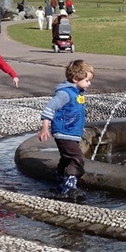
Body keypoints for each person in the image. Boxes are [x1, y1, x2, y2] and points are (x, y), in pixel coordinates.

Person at [38, 60, 94, 196]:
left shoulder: (78, 93)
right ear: (75, 79)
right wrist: (45, 128)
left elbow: (75, 113)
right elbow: (49, 109)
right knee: (77, 158)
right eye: (87, 80)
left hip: (71, 132)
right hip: (63, 133)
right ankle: (69, 183)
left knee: (66, 158)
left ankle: (60, 179)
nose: (89, 83)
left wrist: (79, 127)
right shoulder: (65, 94)